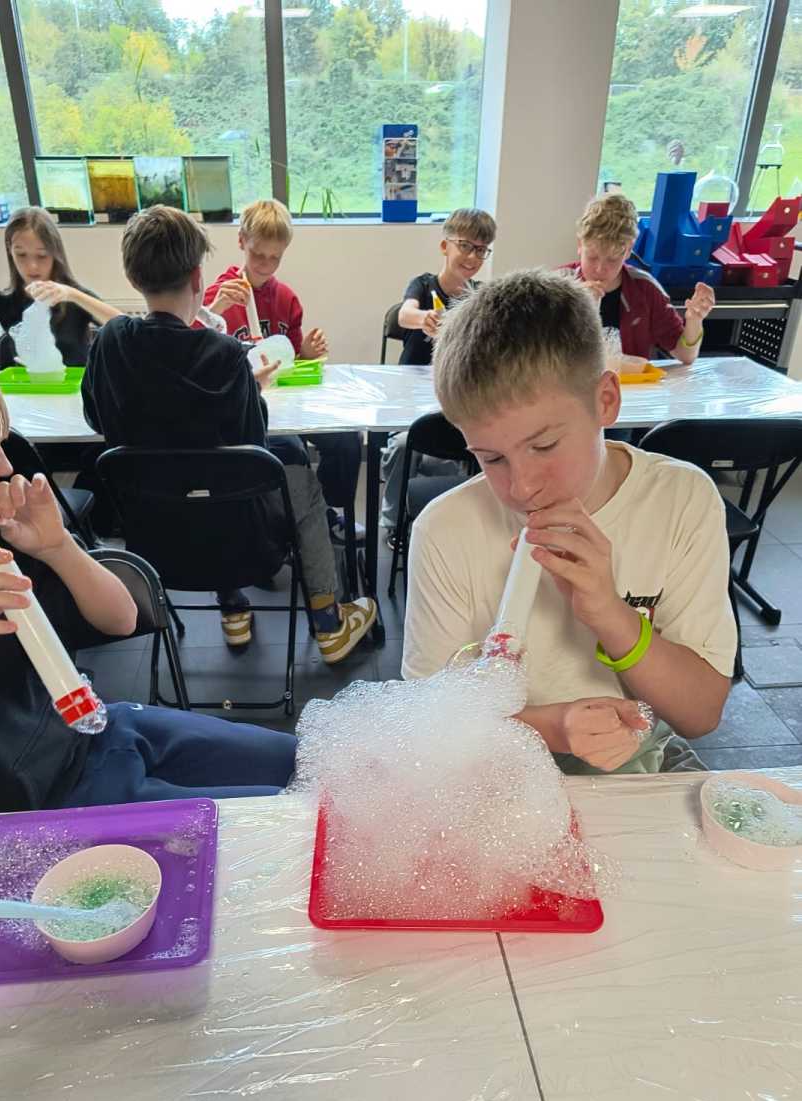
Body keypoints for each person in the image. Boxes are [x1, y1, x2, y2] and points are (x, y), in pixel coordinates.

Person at [0, 330, 298, 852]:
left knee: (312, 763)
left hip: (100, 734)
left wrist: (57, 546)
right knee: (297, 826)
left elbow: (121, 619)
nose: (5, 467)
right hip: (46, 810)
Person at [402, 269, 736, 775]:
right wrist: (556, 728)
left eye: (544, 446)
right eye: (491, 458)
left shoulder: (680, 500)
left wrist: (610, 614)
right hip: (490, 774)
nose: (522, 487)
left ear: (605, 400)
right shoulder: (445, 529)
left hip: (642, 767)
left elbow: (701, 712)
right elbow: (431, 722)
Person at [82, 204, 376, 662]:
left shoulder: (110, 341)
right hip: (242, 539)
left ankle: (233, 609)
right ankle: (328, 622)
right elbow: (252, 444)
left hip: (153, 542)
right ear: (199, 277)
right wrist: (250, 389)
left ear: (132, 276)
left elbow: (97, 419)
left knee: (203, 478)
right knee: (297, 475)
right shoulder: (224, 355)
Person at [203, 199, 362, 538]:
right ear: (241, 241)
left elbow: (293, 361)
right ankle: (285, 522)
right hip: (246, 406)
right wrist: (215, 308)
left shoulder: (286, 299)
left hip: (288, 402)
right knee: (291, 450)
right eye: (258, 254)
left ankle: (326, 512)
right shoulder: (220, 294)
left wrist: (306, 353)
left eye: (275, 258)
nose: (265, 264)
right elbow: (194, 350)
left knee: (347, 440)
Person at [381, 208, 496, 538]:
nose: (472, 257)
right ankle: (393, 523)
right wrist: (425, 319)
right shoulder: (423, 285)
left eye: (481, 250)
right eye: (465, 246)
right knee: (402, 446)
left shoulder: (480, 296)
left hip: (456, 400)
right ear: (445, 246)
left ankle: (455, 523)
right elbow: (404, 315)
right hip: (410, 399)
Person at [0, 205, 122, 369]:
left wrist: (73, 295)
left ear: (55, 252)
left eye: (42, 255)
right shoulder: (0, 303)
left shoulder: (75, 299)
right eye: (21, 254)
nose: (32, 266)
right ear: (10, 251)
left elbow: (128, 330)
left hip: (72, 391)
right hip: (18, 392)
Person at [564, 192, 715, 364]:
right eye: (592, 257)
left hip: (628, 381)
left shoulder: (645, 289)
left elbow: (686, 355)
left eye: (612, 259)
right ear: (580, 245)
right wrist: (576, 307)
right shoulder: (558, 286)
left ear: (628, 251)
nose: (600, 269)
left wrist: (695, 319)